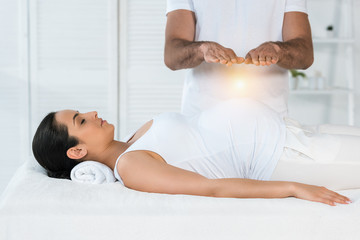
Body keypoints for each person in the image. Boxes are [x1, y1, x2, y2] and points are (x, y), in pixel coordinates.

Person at [32, 98, 360, 206]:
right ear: (77, 151)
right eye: (81, 120)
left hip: (292, 132)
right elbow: (210, 187)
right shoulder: (132, 166)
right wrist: (292, 187)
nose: (91, 113)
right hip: (287, 156)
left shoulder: (134, 140)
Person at [164, 0, 314, 117]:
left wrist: (277, 50)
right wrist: (202, 49)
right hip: (201, 118)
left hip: (269, 120)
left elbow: (305, 55)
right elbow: (172, 55)